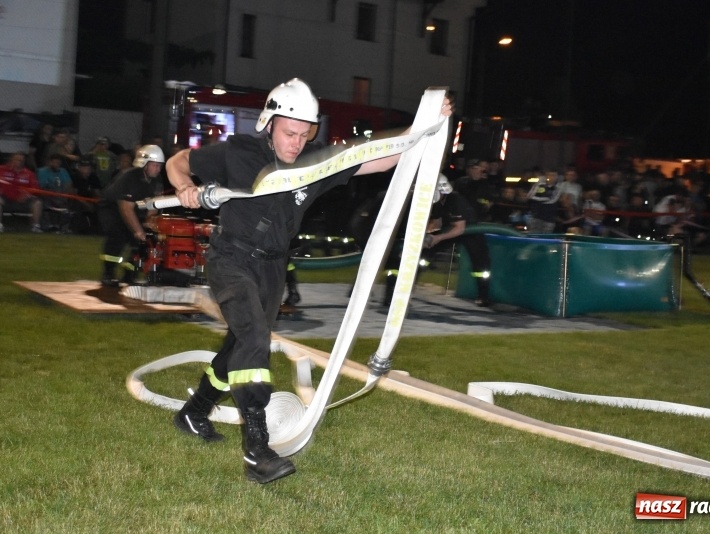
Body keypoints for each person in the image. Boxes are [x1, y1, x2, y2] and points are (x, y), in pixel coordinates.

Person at [165, 78, 452, 485]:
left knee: (238, 347)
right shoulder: (240, 152)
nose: (296, 142)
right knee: (254, 342)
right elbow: (177, 162)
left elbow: (377, 159)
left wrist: (423, 127)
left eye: (304, 134)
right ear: (269, 122)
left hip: (273, 268)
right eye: (289, 133)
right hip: (231, 258)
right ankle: (257, 448)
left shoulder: (316, 161)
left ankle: (193, 413)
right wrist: (186, 188)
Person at [97, 145, 164, 286]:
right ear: (144, 164)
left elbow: (154, 205)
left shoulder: (157, 181)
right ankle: (108, 274)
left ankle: (129, 274)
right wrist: (138, 231)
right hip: (112, 208)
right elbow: (126, 208)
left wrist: (148, 224)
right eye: (155, 165)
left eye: (159, 166)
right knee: (118, 234)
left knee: (146, 241)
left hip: (135, 209)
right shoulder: (130, 177)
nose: (158, 169)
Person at [425, 174, 491, 307]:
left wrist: (438, 238)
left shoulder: (455, 200)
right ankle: (408, 288)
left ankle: (483, 297)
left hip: (471, 232)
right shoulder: (438, 202)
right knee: (425, 253)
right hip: (451, 229)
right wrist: (425, 234)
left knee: (480, 265)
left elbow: (459, 228)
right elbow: (437, 223)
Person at [0, 151, 43, 233]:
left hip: (23, 200)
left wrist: (27, 195)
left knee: (38, 203)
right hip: (5, 198)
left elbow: (35, 189)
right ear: (11, 159)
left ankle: (35, 226)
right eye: (16, 160)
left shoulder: (29, 174)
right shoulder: (1, 169)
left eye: (21, 160)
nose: (18, 162)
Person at [37, 153, 75, 231]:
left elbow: (68, 185)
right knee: (45, 201)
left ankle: (63, 228)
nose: (56, 164)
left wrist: (63, 194)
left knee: (69, 203)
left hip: (61, 196)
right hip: (48, 196)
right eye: (54, 162)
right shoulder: (42, 171)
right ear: (49, 162)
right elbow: (42, 187)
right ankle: (47, 226)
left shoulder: (63, 171)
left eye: (58, 163)